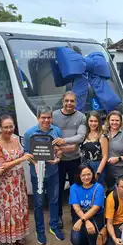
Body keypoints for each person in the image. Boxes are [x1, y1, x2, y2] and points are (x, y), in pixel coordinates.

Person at [24, 106, 64, 245]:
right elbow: (26, 153)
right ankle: (39, 230)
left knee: (54, 200)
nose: (46, 120)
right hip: (37, 174)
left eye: (49, 117)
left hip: (53, 172)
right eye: (43, 117)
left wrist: (58, 158)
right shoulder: (30, 133)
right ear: (37, 118)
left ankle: (53, 226)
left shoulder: (57, 131)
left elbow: (59, 150)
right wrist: (34, 163)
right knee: (39, 203)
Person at [0, 114, 32, 245]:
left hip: (18, 179)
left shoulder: (15, 138)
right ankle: (9, 240)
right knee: (7, 210)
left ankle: (18, 234)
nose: (9, 130)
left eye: (11, 126)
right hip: (4, 183)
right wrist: (20, 160)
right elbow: (1, 166)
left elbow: (24, 154)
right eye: (5, 127)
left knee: (19, 206)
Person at [52, 91, 86, 229]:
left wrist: (63, 141)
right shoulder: (54, 115)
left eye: (72, 101)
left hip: (74, 159)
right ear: (62, 101)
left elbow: (81, 137)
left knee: (75, 188)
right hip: (58, 160)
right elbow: (49, 133)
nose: (69, 103)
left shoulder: (81, 117)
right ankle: (58, 216)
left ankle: (75, 214)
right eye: (67, 100)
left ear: (75, 102)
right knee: (57, 189)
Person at [69, 163, 105, 245]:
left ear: (93, 174)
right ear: (79, 176)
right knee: (75, 239)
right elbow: (76, 208)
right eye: (83, 175)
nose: (86, 177)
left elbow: (95, 209)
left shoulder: (99, 188)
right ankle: (89, 241)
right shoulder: (74, 187)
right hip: (80, 214)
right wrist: (84, 220)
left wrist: (82, 220)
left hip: (96, 216)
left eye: (88, 174)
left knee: (91, 230)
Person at [80, 111, 108, 184]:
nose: (93, 123)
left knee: (96, 190)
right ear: (87, 121)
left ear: (99, 122)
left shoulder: (102, 136)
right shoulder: (85, 134)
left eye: (95, 121)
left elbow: (105, 157)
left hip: (97, 165)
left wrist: (98, 173)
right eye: (91, 121)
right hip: (84, 164)